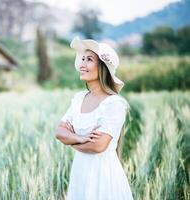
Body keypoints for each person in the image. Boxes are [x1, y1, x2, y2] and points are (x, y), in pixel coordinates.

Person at [54, 37, 134, 200]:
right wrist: (81, 138)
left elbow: (98, 146)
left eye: (89, 59)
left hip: (103, 175)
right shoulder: (79, 99)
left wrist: (71, 143)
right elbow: (59, 131)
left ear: (103, 67)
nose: (82, 64)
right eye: (82, 59)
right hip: (80, 173)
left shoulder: (114, 104)